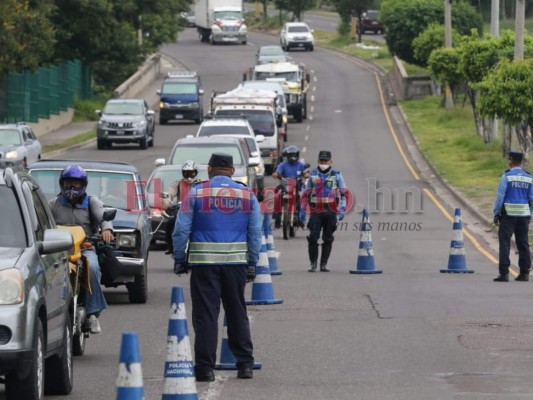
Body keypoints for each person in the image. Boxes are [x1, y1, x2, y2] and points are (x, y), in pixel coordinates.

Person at [172, 152, 262, 382]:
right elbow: (255, 232)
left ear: (209, 169)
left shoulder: (196, 192)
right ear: (232, 171)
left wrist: (180, 258)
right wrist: (252, 262)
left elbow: (181, 229)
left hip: (204, 263)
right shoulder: (246, 194)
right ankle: (245, 365)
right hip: (236, 264)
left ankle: (204, 369)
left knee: (206, 316)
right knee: (237, 312)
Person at [48, 165, 113, 333]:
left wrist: (106, 229)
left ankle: (93, 315)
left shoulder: (92, 202)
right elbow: (42, 223)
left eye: (76, 184)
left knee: (92, 267)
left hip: (84, 248)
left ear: (83, 184)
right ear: (62, 183)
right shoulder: (53, 204)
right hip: (59, 250)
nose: (72, 187)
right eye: (69, 183)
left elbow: (103, 217)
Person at [299, 150, 346, 272]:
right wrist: (303, 210)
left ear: (331, 161)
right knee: (313, 237)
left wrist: (342, 209)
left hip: (331, 210)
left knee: (328, 238)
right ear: (317, 161)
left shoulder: (337, 175)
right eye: (321, 161)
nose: (323, 163)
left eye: (326, 161)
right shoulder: (312, 175)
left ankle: (323, 264)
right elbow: (306, 194)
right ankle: (313, 263)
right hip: (316, 211)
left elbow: (344, 194)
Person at [493, 152, 533, 282]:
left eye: (508, 159)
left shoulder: (506, 176)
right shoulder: (529, 177)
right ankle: (525, 273)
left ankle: (504, 273)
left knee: (505, 243)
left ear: (511, 161)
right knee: (523, 243)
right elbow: (531, 199)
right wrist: (529, 213)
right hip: (523, 215)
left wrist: (496, 213)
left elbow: (500, 197)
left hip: (508, 215)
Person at [163, 160, 199, 254]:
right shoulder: (178, 183)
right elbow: (170, 192)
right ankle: (170, 247)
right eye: (186, 173)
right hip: (182, 211)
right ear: (183, 173)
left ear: (196, 173)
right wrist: (166, 201)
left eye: (191, 173)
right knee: (170, 223)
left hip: (198, 211)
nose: (189, 176)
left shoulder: (201, 184)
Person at [272, 145, 307, 229]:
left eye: (294, 155)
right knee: (277, 196)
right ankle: (277, 217)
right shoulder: (283, 165)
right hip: (285, 186)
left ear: (297, 155)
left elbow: (306, 172)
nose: (292, 157)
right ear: (287, 156)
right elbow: (277, 172)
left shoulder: (301, 165)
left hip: (297, 186)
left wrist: (306, 174)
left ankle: (301, 219)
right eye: (290, 155)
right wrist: (276, 174)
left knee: (302, 198)